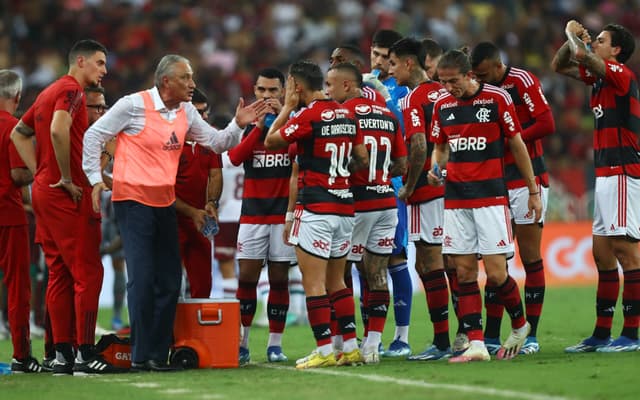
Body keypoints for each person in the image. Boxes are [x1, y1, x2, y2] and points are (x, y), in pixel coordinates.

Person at [82, 54, 269, 372]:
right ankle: (140, 355)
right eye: (186, 77)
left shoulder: (184, 112)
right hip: (133, 202)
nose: (193, 84)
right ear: (166, 81)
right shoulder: (132, 105)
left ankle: (156, 355)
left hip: (165, 204)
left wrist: (239, 124)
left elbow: (215, 142)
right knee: (142, 279)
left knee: (169, 281)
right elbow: (93, 136)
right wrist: (95, 179)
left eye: (192, 77)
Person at [10, 40, 122, 375]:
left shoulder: (47, 91)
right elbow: (59, 130)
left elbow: (20, 132)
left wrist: (41, 173)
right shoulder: (72, 90)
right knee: (89, 272)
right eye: (100, 63)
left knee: (58, 273)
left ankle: (62, 355)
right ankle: (86, 353)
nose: (104, 70)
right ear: (82, 61)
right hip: (68, 194)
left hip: (45, 192)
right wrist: (67, 176)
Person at [429, 49, 542, 363]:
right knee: (464, 272)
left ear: (469, 75)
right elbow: (440, 147)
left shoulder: (496, 99)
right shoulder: (442, 105)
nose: (447, 87)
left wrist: (533, 190)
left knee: (495, 274)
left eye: (452, 81)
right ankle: (476, 343)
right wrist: (434, 168)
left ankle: (520, 324)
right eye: (442, 81)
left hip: (491, 198)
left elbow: (517, 143)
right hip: (455, 201)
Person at [264, 60, 368, 369]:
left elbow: (271, 140)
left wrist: (285, 109)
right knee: (338, 282)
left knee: (314, 284)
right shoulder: (348, 113)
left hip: (316, 209)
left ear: (296, 87)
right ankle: (349, 346)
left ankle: (323, 349)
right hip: (345, 208)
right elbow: (361, 158)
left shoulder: (308, 115)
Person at [552, 21, 640, 353]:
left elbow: (579, 53)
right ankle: (601, 334)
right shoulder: (601, 79)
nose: (596, 44)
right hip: (606, 173)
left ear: (616, 50)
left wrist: (573, 32)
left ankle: (631, 334)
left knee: (626, 253)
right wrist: (574, 40)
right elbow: (561, 64)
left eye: (601, 41)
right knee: (601, 254)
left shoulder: (619, 74)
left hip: (622, 171)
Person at [470, 41, 556, 355]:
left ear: (496, 65)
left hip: (528, 178)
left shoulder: (522, 81)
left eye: (482, 74)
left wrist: (510, 141)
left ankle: (531, 335)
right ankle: (492, 335)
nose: (480, 80)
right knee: (497, 260)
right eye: (475, 75)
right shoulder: (481, 90)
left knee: (530, 258)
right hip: (495, 181)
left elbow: (547, 123)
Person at [328, 62, 407, 363]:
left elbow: (343, 159)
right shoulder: (387, 116)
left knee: (340, 273)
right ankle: (372, 345)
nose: (327, 91)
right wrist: (381, 174)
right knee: (376, 274)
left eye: (331, 85)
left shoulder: (345, 115)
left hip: (357, 205)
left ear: (348, 86)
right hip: (386, 202)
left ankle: (341, 343)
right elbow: (401, 164)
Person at [388, 37, 453, 361]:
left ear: (409, 63)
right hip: (452, 185)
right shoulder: (444, 91)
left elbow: (416, 145)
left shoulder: (415, 97)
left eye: (393, 63)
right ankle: (470, 332)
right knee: (447, 262)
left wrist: (409, 186)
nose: (390, 70)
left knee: (430, 262)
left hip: (428, 190)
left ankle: (443, 342)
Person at [227, 68, 296, 364]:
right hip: (253, 216)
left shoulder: (293, 124)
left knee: (280, 280)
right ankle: (242, 343)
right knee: (247, 280)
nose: (266, 97)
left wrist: (283, 118)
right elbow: (235, 158)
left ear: (282, 92)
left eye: (272, 91)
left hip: (282, 217)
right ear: (254, 91)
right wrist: (257, 127)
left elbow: (297, 153)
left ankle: (275, 344)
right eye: (261, 91)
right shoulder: (246, 126)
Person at [370, 29, 414, 358]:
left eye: (385, 56)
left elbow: (406, 136)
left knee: (395, 258)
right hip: (361, 189)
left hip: (393, 188)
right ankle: (370, 337)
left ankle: (402, 336)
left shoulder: (403, 91)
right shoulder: (362, 88)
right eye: (375, 54)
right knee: (364, 264)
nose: (379, 61)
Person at [0, 69, 40, 373]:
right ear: (17, 97)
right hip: (8, 215)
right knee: (17, 287)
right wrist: (37, 170)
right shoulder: (14, 128)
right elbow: (18, 175)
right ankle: (22, 356)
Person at [175, 87, 223, 298]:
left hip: (201, 219)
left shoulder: (209, 138)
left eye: (205, 112)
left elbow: (215, 174)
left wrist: (211, 202)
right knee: (170, 281)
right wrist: (192, 212)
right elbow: (163, 187)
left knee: (203, 282)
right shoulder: (169, 139)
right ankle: (170, 330)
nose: (203, 117)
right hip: (171, 218)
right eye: (197, 112)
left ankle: (198, 330)